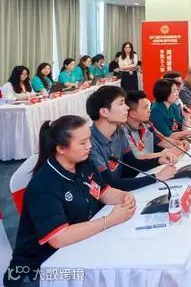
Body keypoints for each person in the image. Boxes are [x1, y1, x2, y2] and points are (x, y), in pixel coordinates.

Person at [3, 116, 136, 286]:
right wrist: (110, 220)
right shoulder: (43, 185)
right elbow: (58, 238)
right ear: (60, 148)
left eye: (89, 139)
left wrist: (124, 196)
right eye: (82, 143)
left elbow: (103, 192)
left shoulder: (84, 164)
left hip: (76, 248)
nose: (89, 146)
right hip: (38, 269)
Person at [87, 85, 177, 191]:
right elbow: (109, 184)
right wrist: (156, 177)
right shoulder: (89, 143)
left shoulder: (118, 131)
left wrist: (158, 160)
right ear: (104, 112)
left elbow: (132, 164)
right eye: (121, 103)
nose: (127, 108)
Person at [124, 90, 188, 159]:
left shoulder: (147, 125)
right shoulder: (123, 132)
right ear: (133, 114)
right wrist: (165, 153)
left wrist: (178, 143)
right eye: (145, 108)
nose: (149, 110)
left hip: (152, 163)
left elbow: (161, 140)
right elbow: (138, 157)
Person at [150, 79, 191, 149]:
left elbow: (182, 129)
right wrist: (187, 133)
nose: (177, 93)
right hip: (164, 150)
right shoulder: (156, 111)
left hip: (177, 145)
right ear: (165, 92)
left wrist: (186, 117)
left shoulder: (173, 106)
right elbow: (168, 136)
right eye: (174, 91)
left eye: (177, 90)